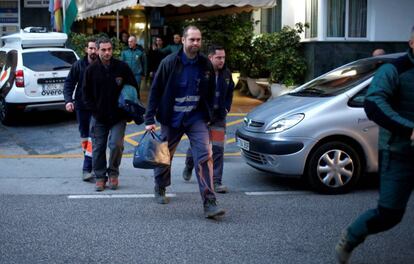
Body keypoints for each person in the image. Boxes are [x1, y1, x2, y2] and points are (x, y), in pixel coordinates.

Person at [335, 26, 414, 264]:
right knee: (389, 214)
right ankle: (351, 236)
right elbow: (374, 104)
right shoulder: (394, 70)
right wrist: (408, 128)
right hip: (398, 153)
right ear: (412, 42)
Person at [144, 25, 225, 219]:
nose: (196, 43)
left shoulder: (205, 64)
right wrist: (149, 118)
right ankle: (160, 186)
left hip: (195, 118)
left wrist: (210, 115)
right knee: (163, 156)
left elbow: (210, 91)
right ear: (183, 40)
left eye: (198, 40)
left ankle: (209, 202)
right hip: (171, 119)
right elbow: (155, 91)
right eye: (192, 40)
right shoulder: (169, 63)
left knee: (205, 155)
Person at [83, 37, 139, 192]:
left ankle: (113, 173)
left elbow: (133, 88)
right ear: (98, 50)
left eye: (109, 49)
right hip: (99, 117)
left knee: (116, 145)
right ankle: (100, 177)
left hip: (118, 117)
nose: (107, 53)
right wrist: (94, 111)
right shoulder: (91, 70)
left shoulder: (122, 67)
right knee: (98, 148)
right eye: (103, 50)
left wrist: (129, 111)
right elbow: (85, 94)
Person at [182, 45, 234, 194]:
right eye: (218, 57)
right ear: (210, 57)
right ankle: (189, 164)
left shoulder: (226, 74)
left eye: (223, 57)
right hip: (201, 118)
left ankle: (216, 182)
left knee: (218, 149)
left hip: (218, 118)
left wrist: (226, 107)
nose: (221, 60)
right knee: (199, 147)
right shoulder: (201, 71)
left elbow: (230, 91)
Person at [63, 38, 98, 182]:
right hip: (81, 107)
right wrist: (68, 101)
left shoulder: (103, 65)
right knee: (85, 137)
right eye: (90, 48)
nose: (93, 51)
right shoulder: (78, 65)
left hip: (97, 108)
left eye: (95, 48)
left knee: (93, 136)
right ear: (86, 50)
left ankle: (87, 168)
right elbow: (69, 83)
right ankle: (90, 160)